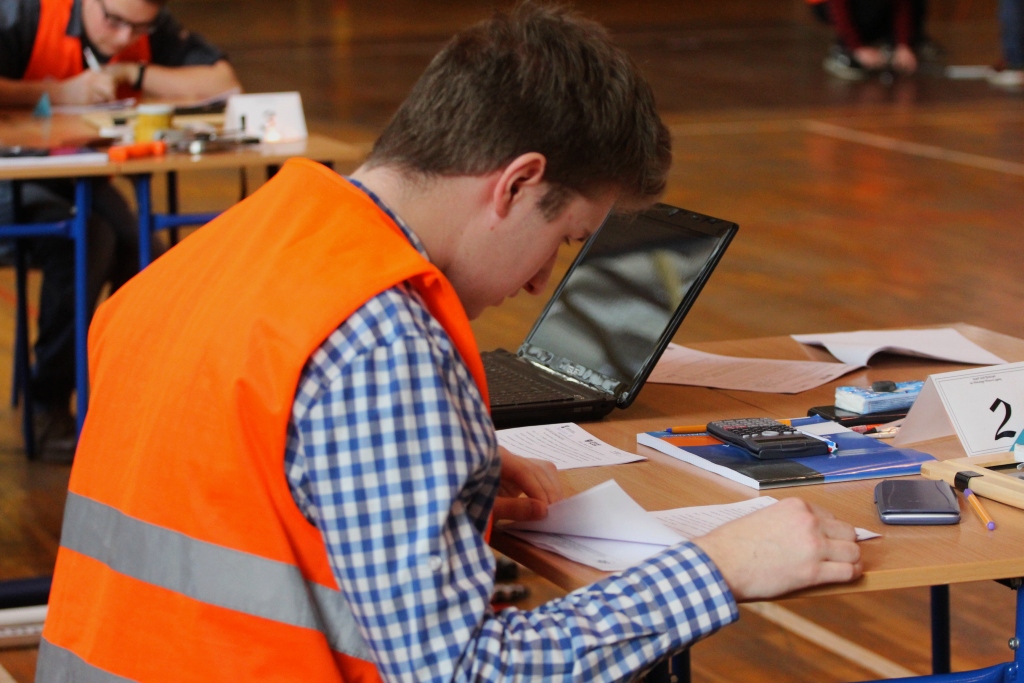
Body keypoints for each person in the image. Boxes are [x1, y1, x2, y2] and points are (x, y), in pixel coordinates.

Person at [38, 4, 862, 681]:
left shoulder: (221, 251)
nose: (541, 283)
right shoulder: (380, 340)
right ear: (516, 183)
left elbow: (227, 480)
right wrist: (718, 568)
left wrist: (416, 469)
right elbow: (463, 671)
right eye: (564, 239)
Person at [0, 0, 240, 460]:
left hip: (74, 175)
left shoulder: (145, 28)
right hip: (11, 178)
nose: (123, 37)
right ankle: (47, 402)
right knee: (87, 241)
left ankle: (140, 402)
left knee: (146, 254)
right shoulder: (24, 15)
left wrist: (136, 72)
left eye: (139, 29)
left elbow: (223, 83)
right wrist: (55, 93)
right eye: (113, 21)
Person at [819, 0, 923, 79]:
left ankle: (889, 45)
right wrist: (857, 48)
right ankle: (843, 50)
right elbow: (838, 9)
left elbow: (902, 6)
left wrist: (903, 44)